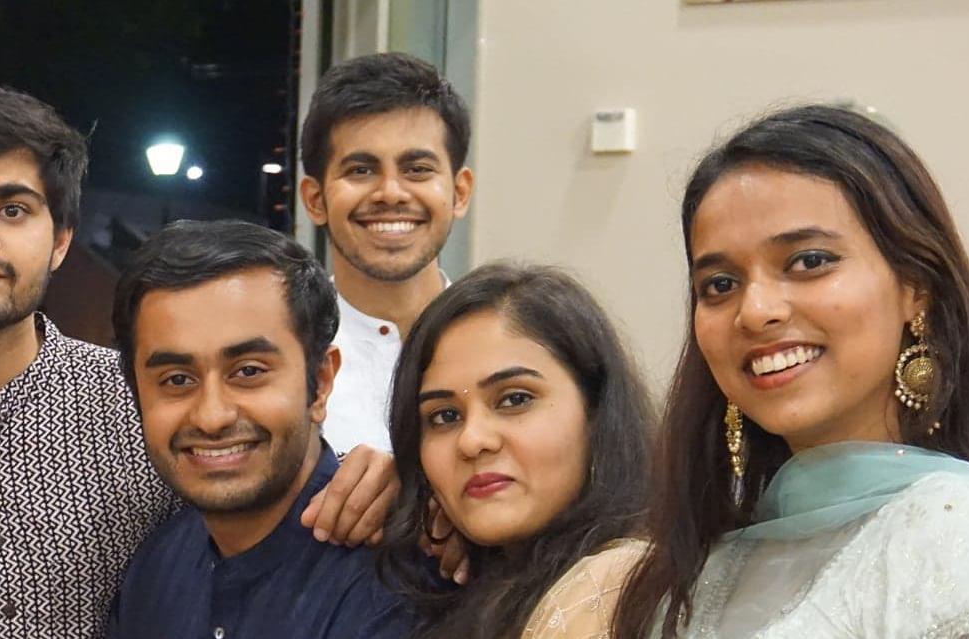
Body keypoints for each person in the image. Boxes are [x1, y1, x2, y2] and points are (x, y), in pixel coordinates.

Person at [0, 85, 395, 638]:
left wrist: (401, 492)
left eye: (12, 209)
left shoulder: (155, 406)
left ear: (62, 238)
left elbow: (282, 505)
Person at [611, 105, 969, 637]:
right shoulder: (702, 566)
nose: (756, 310)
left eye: (809, 261)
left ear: (915, 287)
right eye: (720, 284)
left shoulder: (957, 534)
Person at [108, 220, 415, 639]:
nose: (211, 416)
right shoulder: (155, 570)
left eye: (248, 371)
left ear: (321, 381)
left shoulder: (398, 586)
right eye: (177, 380)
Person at [377, 262, 652, 639]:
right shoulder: (478, 593)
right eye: (444, 416)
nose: (472, 441)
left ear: (596, 411)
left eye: (514, 399)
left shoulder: (615, 589)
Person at [299, 52, 474, 457]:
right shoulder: (283, 359)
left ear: (459, 192)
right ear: (315, 199)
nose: (391, 193)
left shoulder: (512, 340)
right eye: (361, 170)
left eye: (417, 169)